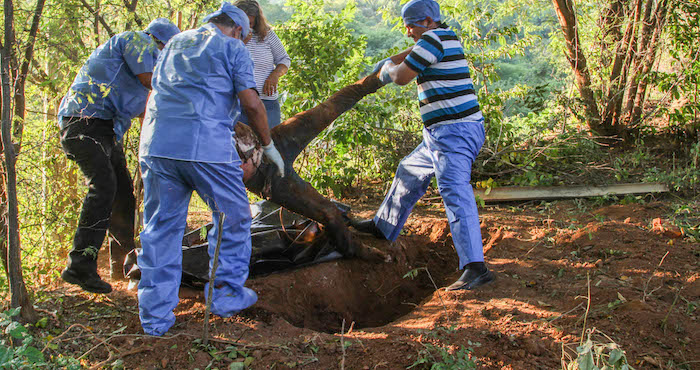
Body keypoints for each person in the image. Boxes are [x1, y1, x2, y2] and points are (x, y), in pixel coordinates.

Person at [137, 2, 285, 336]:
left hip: (158, 147)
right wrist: (268, 144)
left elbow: (166, 94)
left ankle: (155, 320)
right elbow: (251, 102)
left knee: (160, 229)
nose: (244, 41)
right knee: (233, 216)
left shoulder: (174, 43)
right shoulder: (232, 47)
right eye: (244, 36)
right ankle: (226, 296)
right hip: (206, 149)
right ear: (236, 29)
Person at [353, 0, 494, 291]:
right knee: (409, 170)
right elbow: (403, 55)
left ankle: (475, 267)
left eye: (411, 26)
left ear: (428, 20)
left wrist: (388, 70)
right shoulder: (445, 36)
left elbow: (402, 77)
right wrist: (386, 63)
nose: (408, 32)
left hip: (453, 132)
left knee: (454, 190)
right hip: (442, 132)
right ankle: (383, 226)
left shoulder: (432, 39)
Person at [57, 18, 180, 294]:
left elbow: (146, 113)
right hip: (83, 121)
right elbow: (152, 82)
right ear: (160, 42)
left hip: (106, 130)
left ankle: (124, 266)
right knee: (103, 187)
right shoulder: (136, 40)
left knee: (123, 195)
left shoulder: (142, 72)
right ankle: (80, 264)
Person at [234, 0, 291, 129]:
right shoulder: (228, 37)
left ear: (256, 20)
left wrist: (275, 75)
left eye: (250, 23)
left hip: (267, 103)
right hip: (238, 105)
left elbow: (284, 59)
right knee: (240, 146)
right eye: (242, 22)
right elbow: (223, 63)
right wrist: (241, 43)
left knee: (271, 142)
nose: (246, 27)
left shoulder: (267, 34)